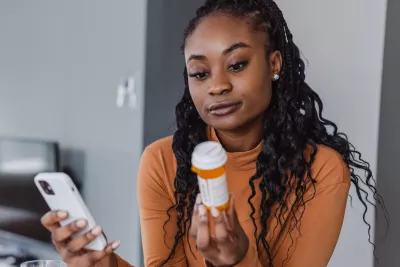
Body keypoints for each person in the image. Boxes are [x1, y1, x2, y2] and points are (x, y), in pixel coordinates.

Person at [40, 0, 385, 266]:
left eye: (236, 65)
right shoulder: (163, 161)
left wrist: (236, 260)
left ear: (275, 64)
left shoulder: (321, 170)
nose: (217, 86)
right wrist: (105, 264)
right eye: (200, 73)